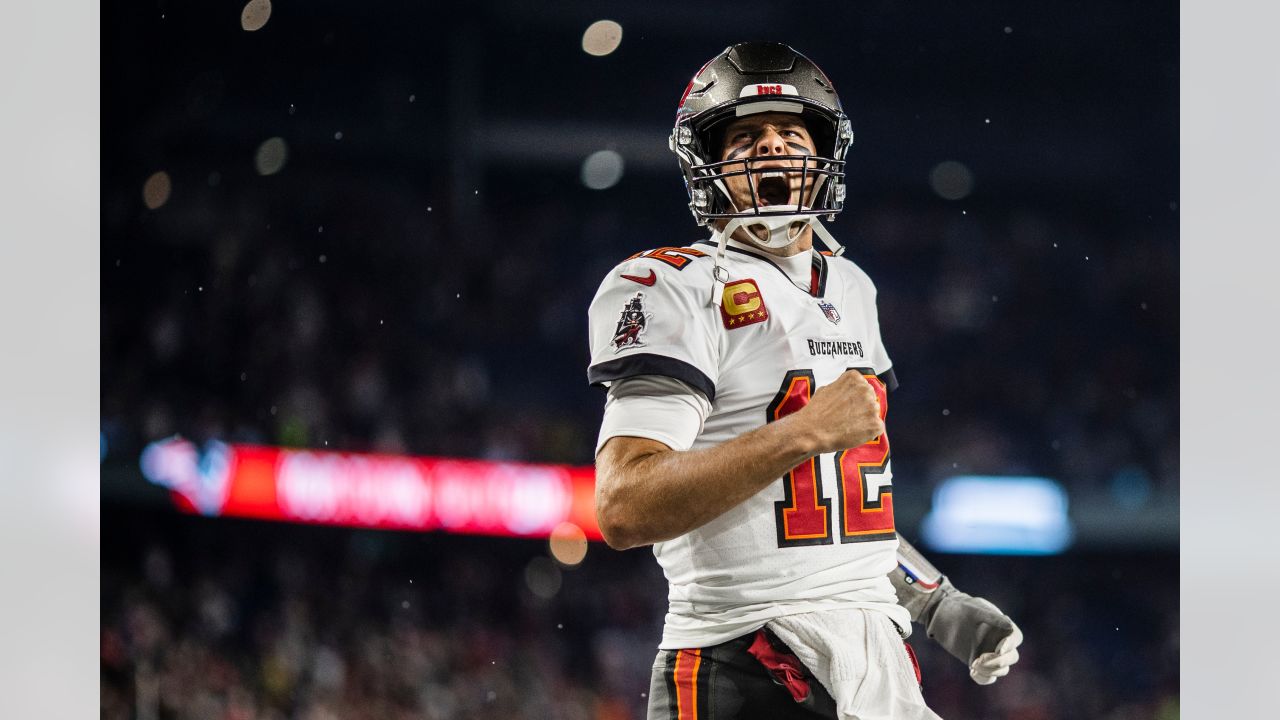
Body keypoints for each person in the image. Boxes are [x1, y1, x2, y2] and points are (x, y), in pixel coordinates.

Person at [586, 43, 1022, 719]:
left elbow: (838, 505)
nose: (772, 149)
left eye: (792, 133)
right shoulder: (674, 284)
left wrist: (935, 600)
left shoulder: (852, 287)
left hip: (877, 658)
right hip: (742, 657)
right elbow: (623, 504)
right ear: (710, 163)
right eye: (746, 136)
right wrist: (801, 432)